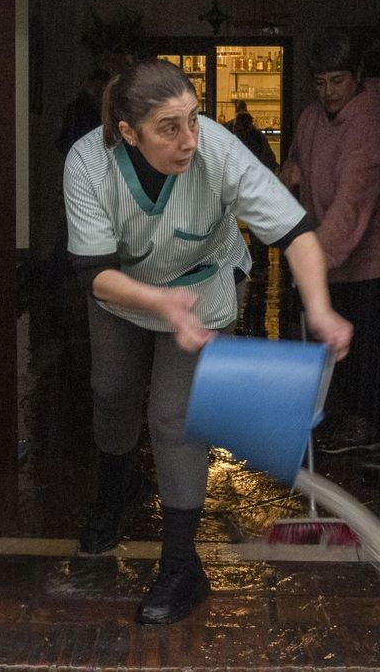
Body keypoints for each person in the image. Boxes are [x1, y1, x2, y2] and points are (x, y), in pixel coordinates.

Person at [64, 58, 353, 625]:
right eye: (169, 128)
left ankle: (181, 566)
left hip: (203, 291)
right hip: (121, 292)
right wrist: (158, 302)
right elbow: (91, 272)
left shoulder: (217, 150)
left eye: (194, 119)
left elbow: (294, 233)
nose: (189, 139)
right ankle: (119, 488)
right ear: (128, 133)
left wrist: (320, 309)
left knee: (172, 418)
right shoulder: (87, 163)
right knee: (113, 393)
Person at [280, 32, 380, 466]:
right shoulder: (313, 118)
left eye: (338, 81)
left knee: (369, 346)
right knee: (337, 347)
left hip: (375, 255)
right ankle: (347, 417)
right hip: (330, 254)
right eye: (321, 82)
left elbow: (354, 196)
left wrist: (312, 260)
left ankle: (371, 427)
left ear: (358, 77)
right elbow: (296, 164)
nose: (329, 92)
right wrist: (292, 175)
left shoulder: (374, 117)